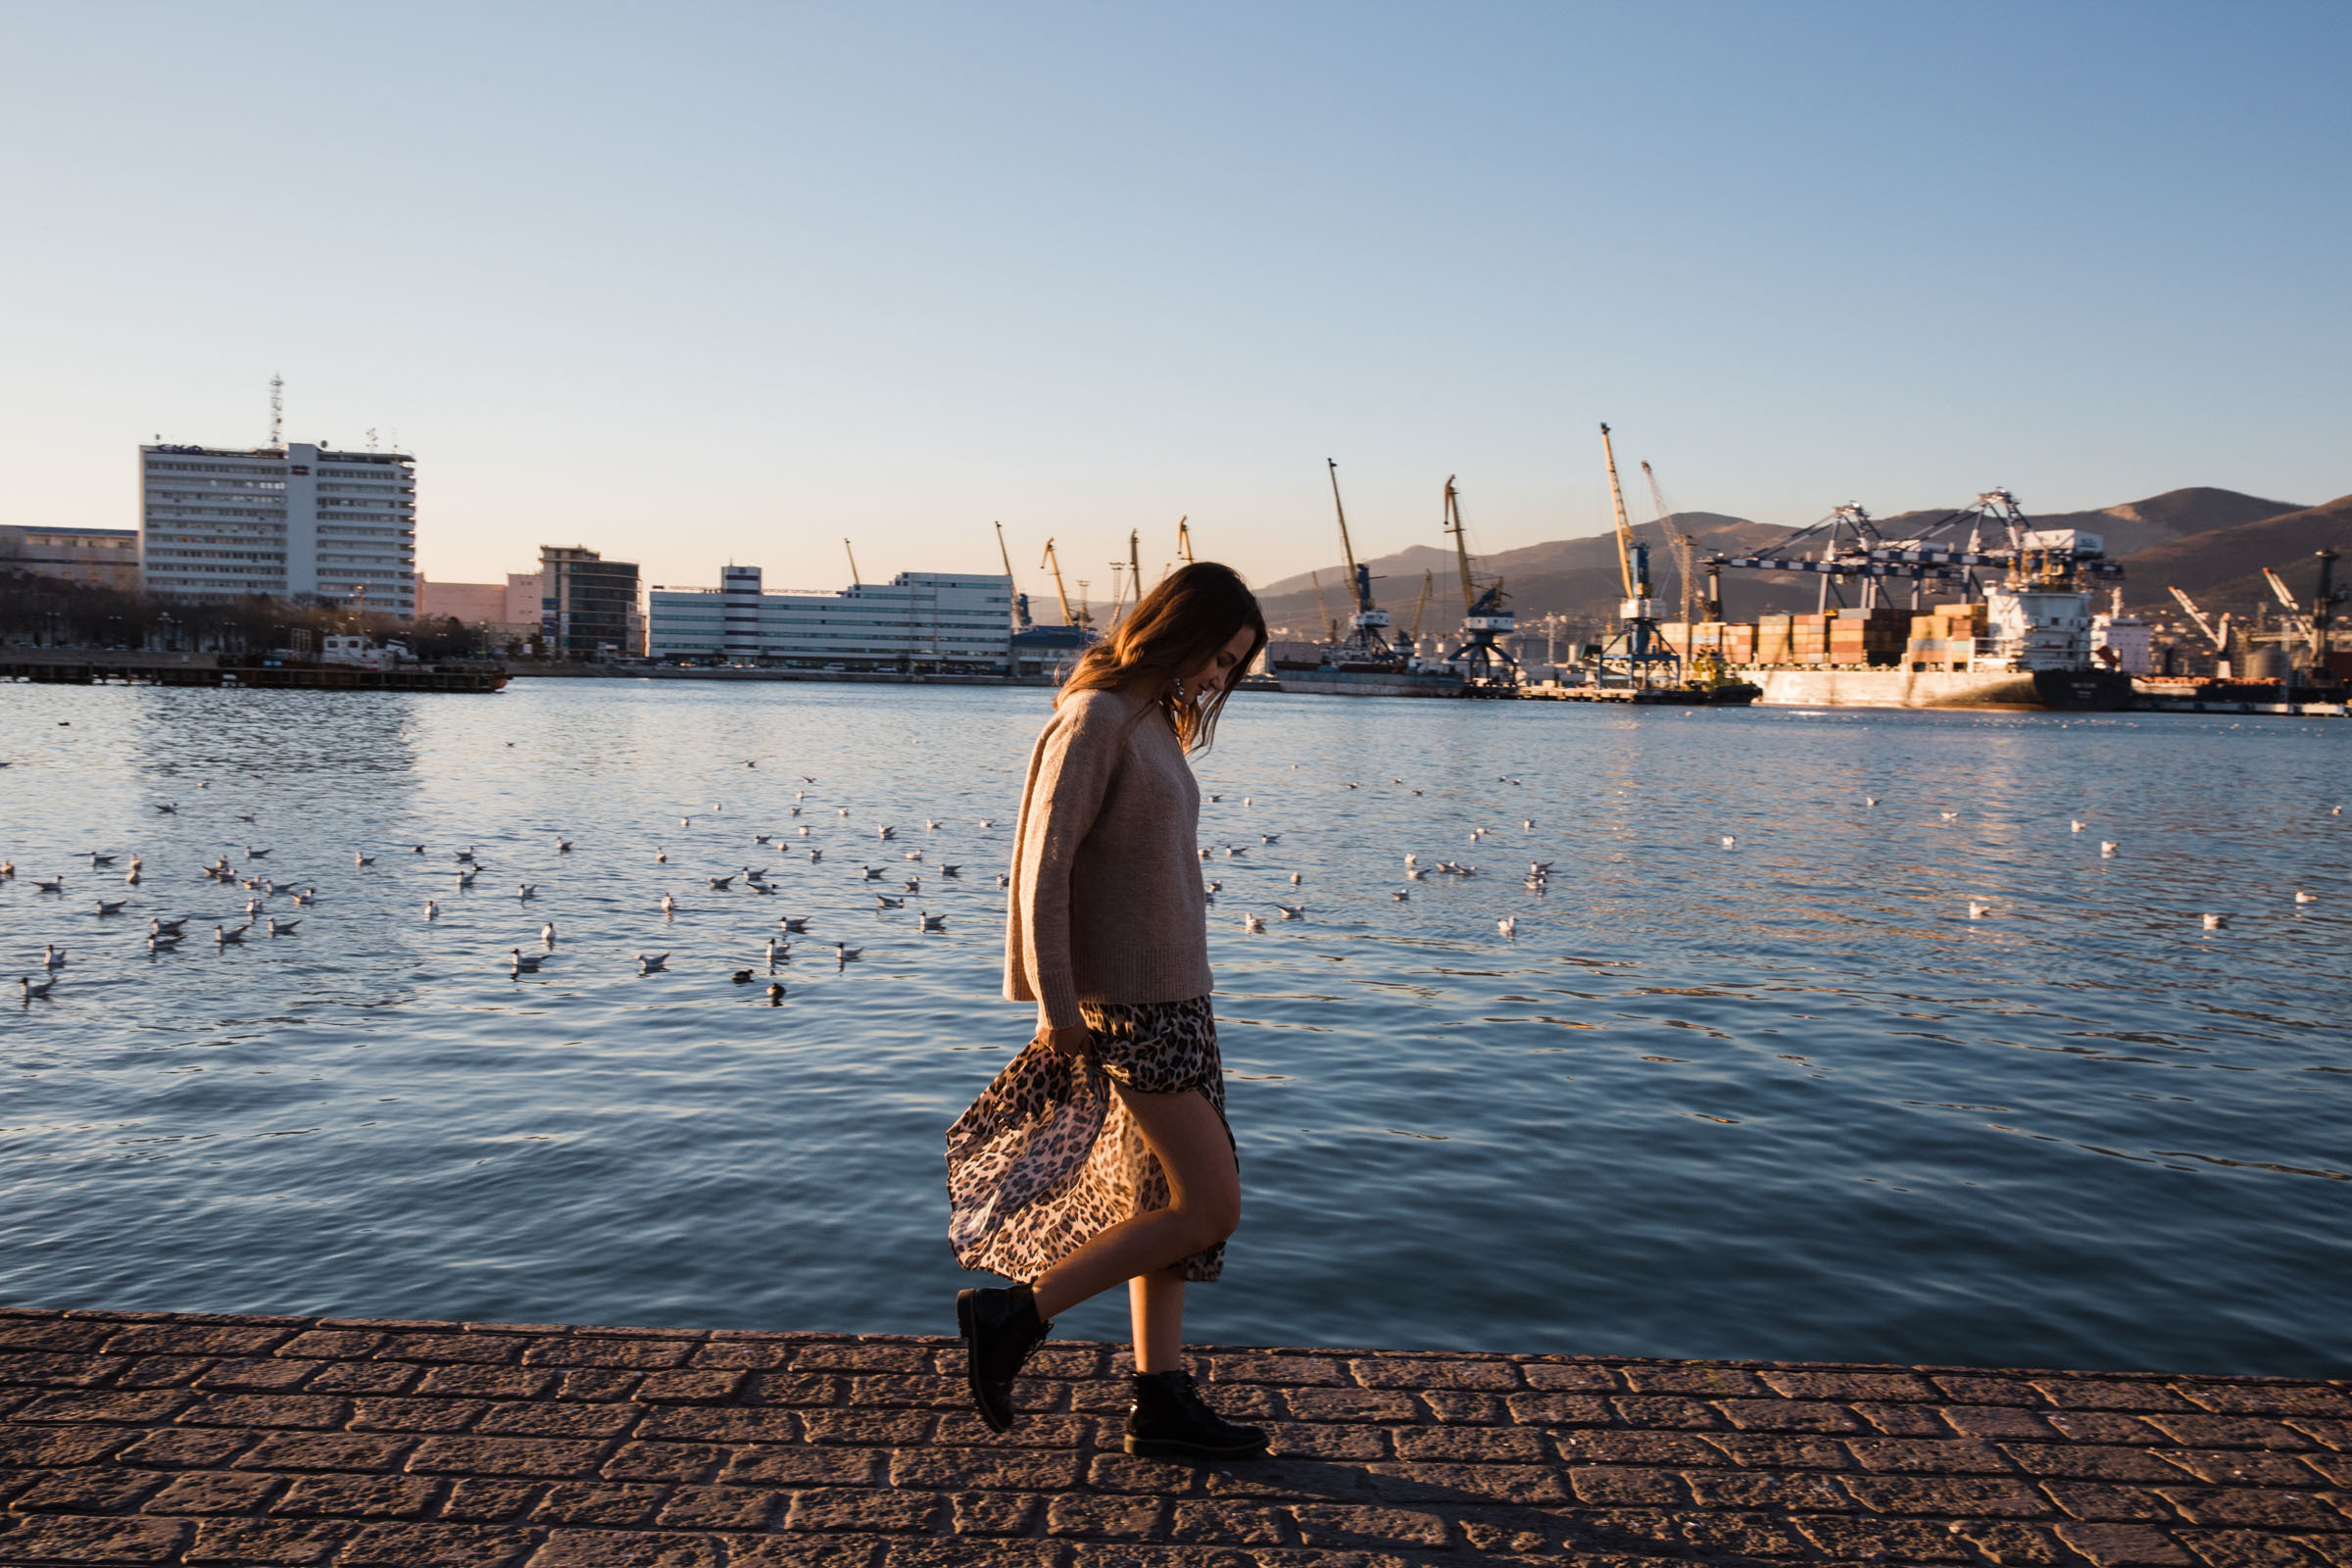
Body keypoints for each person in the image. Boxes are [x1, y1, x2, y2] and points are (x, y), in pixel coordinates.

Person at [946, 562, 1269, 1459]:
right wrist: (1056, 1012)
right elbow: (1041, 877)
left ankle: (1160, 1397)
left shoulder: (1151, 720)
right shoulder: (1094, 719)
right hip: (1129, 1011)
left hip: (1179, 1000)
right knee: (1213, 1206)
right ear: (1179, 628)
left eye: (1234, 667)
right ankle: (1012, 1316)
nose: (1219, 679)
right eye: (1219, 656)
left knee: (1161, 1200)